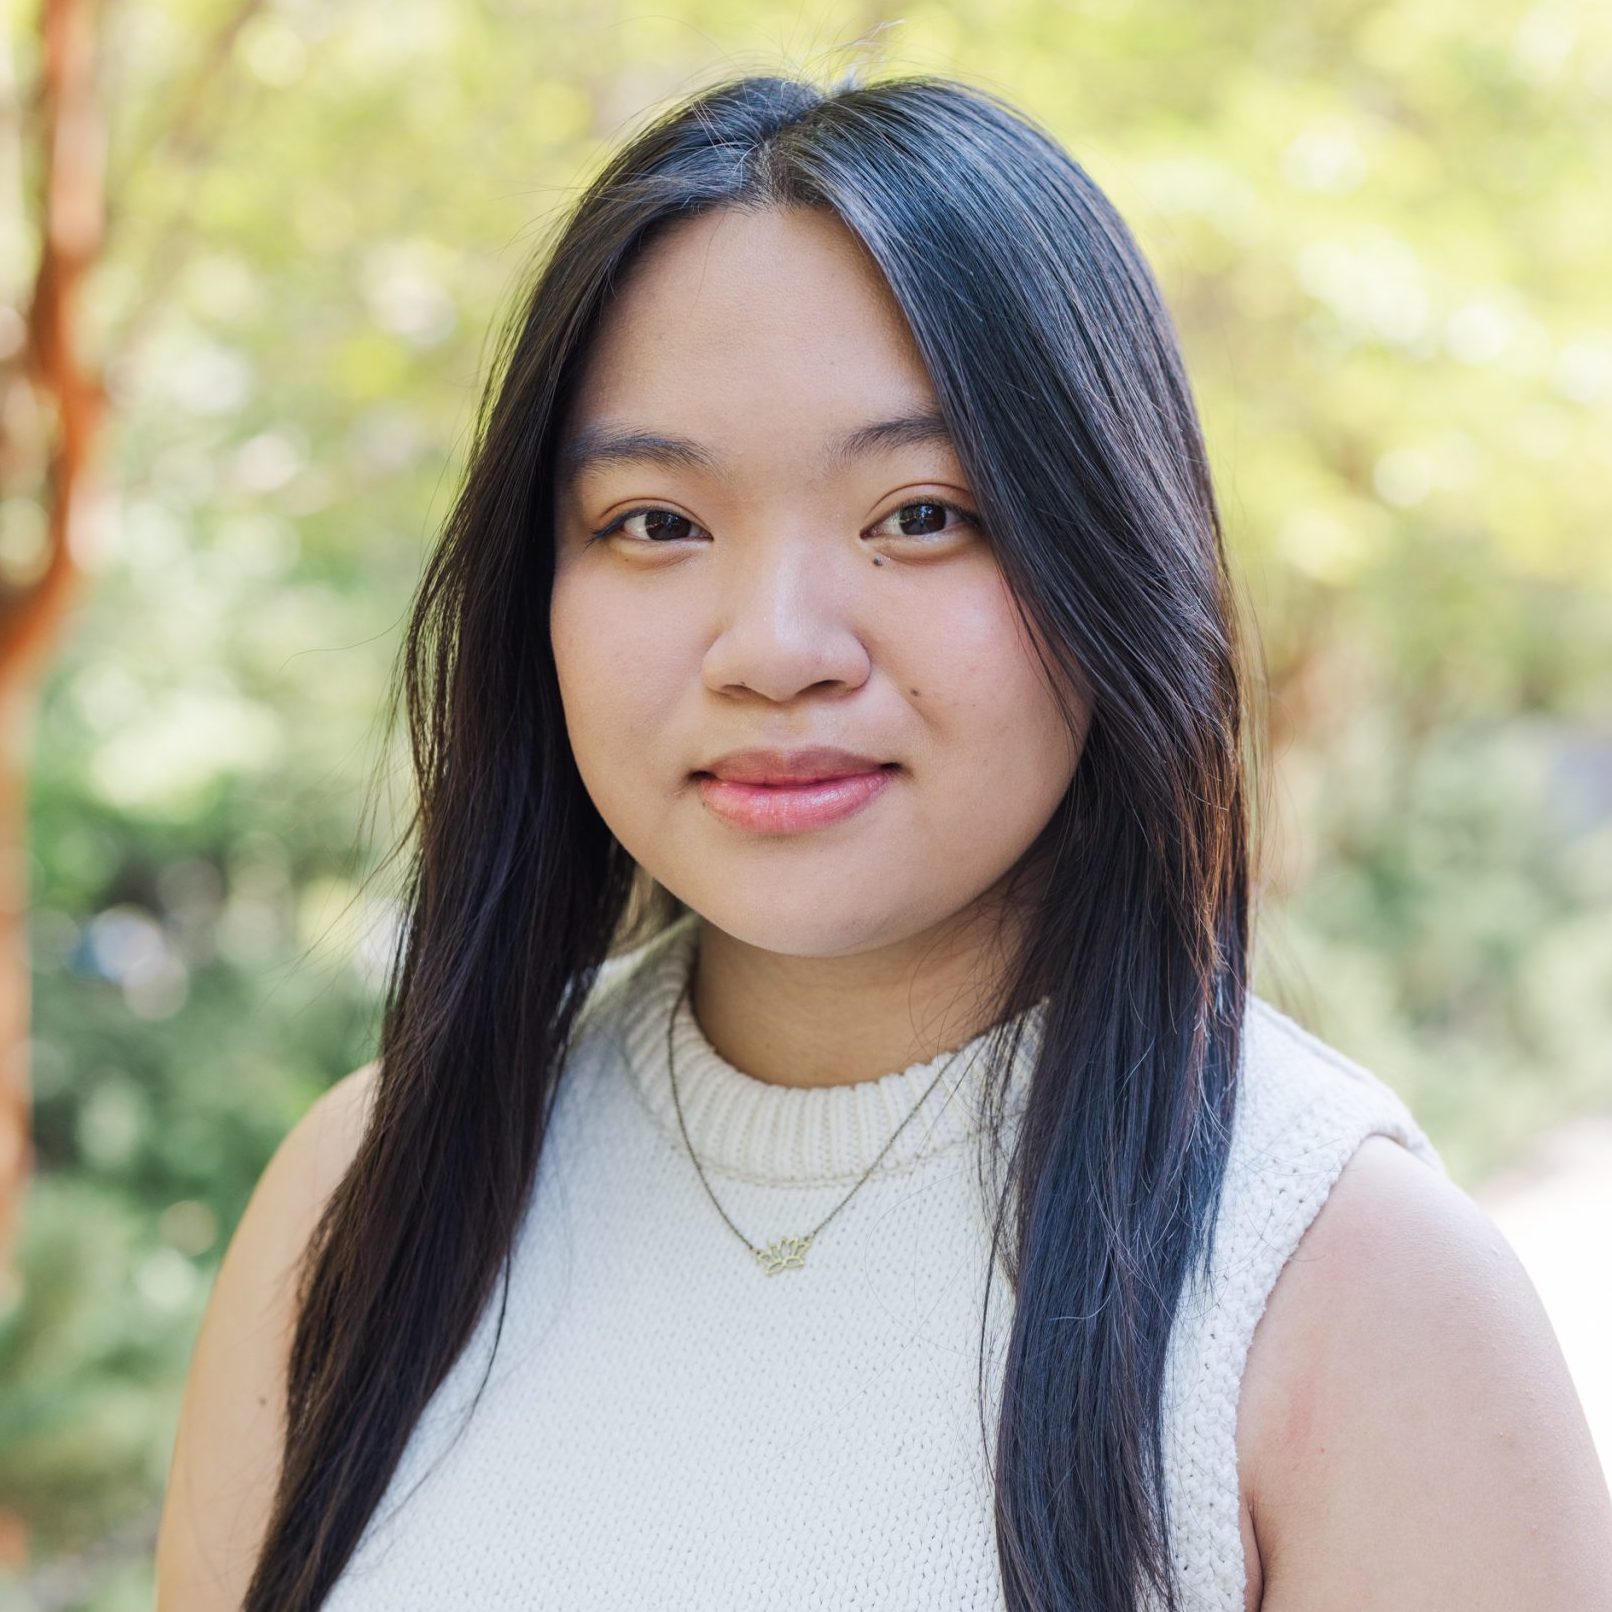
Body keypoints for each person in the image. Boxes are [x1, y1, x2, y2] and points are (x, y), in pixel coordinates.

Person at [154, 69, 1612, 1612]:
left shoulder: (1355, 1296)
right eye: (655, 521)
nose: (775, 648)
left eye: (922, 514)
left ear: (1110, 554)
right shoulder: (366, 1194)